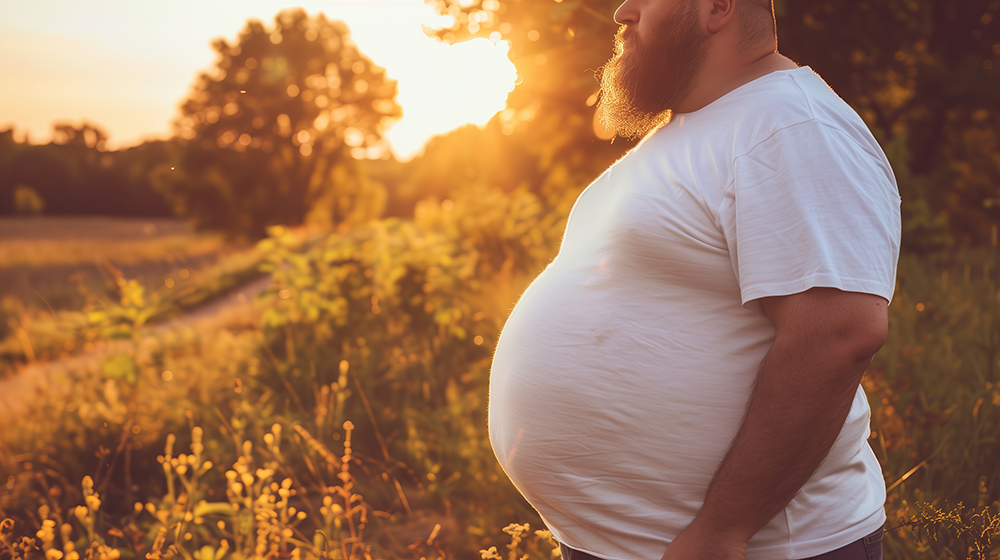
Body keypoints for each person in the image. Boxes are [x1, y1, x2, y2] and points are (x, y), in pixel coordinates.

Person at [486, 0, 902, 558]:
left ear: (717, 7)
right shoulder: (696, 129)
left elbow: (837, 334)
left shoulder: (790, 123)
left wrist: (722, 531)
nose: (622, 11)